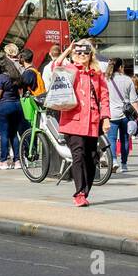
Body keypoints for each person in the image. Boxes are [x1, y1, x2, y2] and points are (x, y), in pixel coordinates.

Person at [49, 42, 110, 206]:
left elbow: (104, 97)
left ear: (91, 55)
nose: (82, 55)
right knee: (78, 155)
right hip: (72, 122)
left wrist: (106, 118)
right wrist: (67, 50)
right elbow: (55, 66)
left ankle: (85, 191)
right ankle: (79, 193)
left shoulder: (97, 74)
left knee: (91, 158)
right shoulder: (70, 70)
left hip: (92, 122)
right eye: (78, 53)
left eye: (85, 53)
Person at [0, 52, 34, 171]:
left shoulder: (2, 77)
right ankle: (17, 161)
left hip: (4, 106)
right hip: (17, 106)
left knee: (4, 134)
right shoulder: (16, 76)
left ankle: (3, 161)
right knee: (14, 134)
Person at [104, 58, 138, 173]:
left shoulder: (106, 80)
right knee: (125, 139)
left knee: (111, 139)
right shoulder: (128, 80)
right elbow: (134, 100)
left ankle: (114, 160)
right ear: (120, 67)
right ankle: (124, 164)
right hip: (126, 114)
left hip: (111, 114)